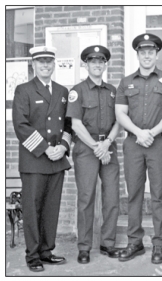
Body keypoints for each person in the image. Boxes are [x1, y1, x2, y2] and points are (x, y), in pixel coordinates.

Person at [115, 33, 162, 264]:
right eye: (143, 52)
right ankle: (135, 242)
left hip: (158, 143)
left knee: (159, 195)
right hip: (133, 144)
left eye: (150, 51)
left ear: (156, 54)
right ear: (137, 54)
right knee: (133, 193)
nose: (147, 55)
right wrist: (139, 132)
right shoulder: (126, 81)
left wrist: (151, 133)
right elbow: (120, 113)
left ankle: (159, 244)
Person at [12, 46, 72, 272]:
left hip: (57, 159)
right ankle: (33, 255)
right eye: (41, 62)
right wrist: (46, 148)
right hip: (34, 159)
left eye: (49, 61)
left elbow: (68, 124)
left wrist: (63, 147)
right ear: (33, 65)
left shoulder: (63, 91)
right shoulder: (24, 90)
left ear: (54, 64)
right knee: (32, 208)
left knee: (51, 207)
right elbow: (21, 125)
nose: (45, 65)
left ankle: (47, 251)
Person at [66, 45, 121, 264]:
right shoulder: (77, 91)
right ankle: (84, 247)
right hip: (86, 149)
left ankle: (108, 244)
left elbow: (119, 120)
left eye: (101, 61)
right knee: (86, 198)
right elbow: (76, 124)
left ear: (105, 64)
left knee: (112, 198)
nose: (97, 65)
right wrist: (97, 148)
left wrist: (106, 143)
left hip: (108, 147)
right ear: (85, 64)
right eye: (93, 62)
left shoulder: (113, 91)